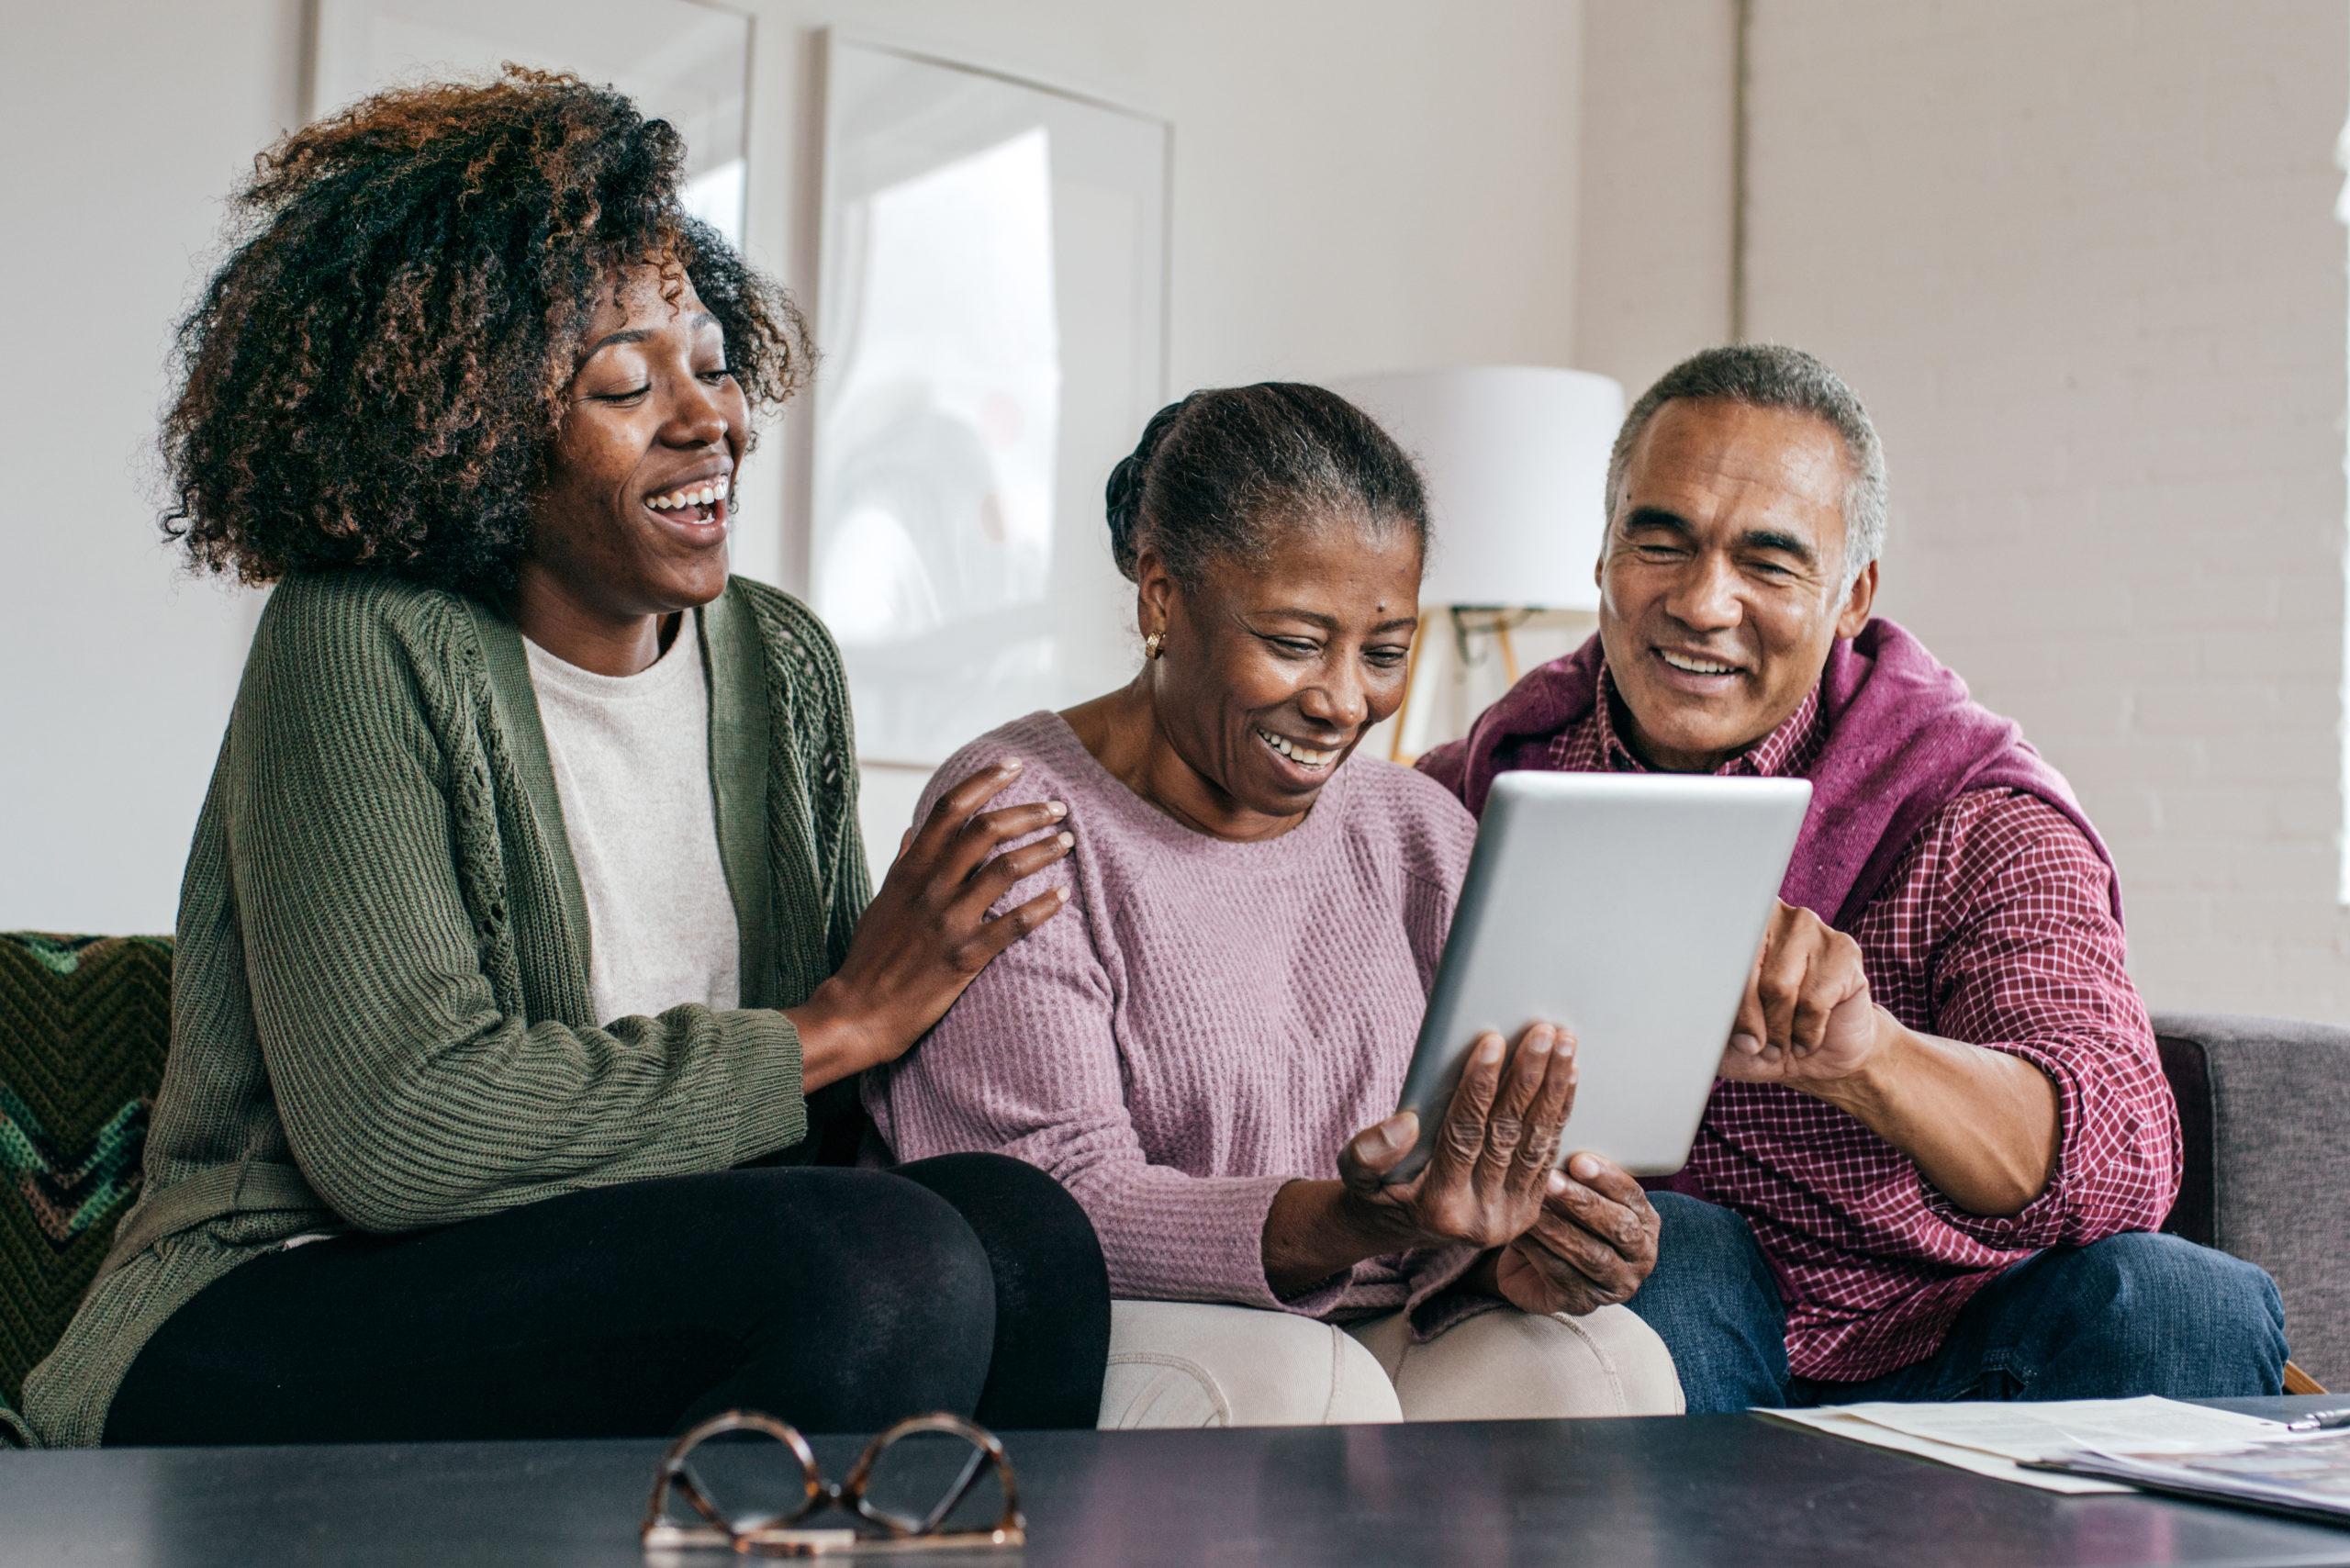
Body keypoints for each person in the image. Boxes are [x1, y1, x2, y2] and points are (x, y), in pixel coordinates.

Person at [19, 71, 1110, 1450]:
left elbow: (834, 1123)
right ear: (471, 429)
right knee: (875, 1266)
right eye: (619, 382)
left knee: (1026, 1240)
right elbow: (397, 1129)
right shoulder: (358, 642)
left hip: (637, 1275)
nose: (706, 418)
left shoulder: (782, 665)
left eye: (712, 363)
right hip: (271, 1307)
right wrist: (838, 1024)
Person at [1417, 343, 2288, 1411]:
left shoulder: (1973, 809)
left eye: (1769, 562)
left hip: (1950, 1332)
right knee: (1677, 1247)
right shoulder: (1473, 794)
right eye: (1661, 540)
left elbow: (2115, 1155)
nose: (1702, 601)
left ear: (1850, 594)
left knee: (2185, 1302)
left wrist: (1865, 1056)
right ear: (1600, 557)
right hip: (1665, 1308)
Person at [865, 386, 1684, 1428]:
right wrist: (1339, 1221)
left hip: (1360, 1313)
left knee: (1603, 1361)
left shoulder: (1413, 829)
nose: (1345, 700)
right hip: (1096, 1324)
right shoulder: (1016, 816)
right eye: (1296, 641)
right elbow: (1054, 1209)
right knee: (1306, 1385)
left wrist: (1511, 1248)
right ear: (1161, 597)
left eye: (1382, 651)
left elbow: (1458, 1173)